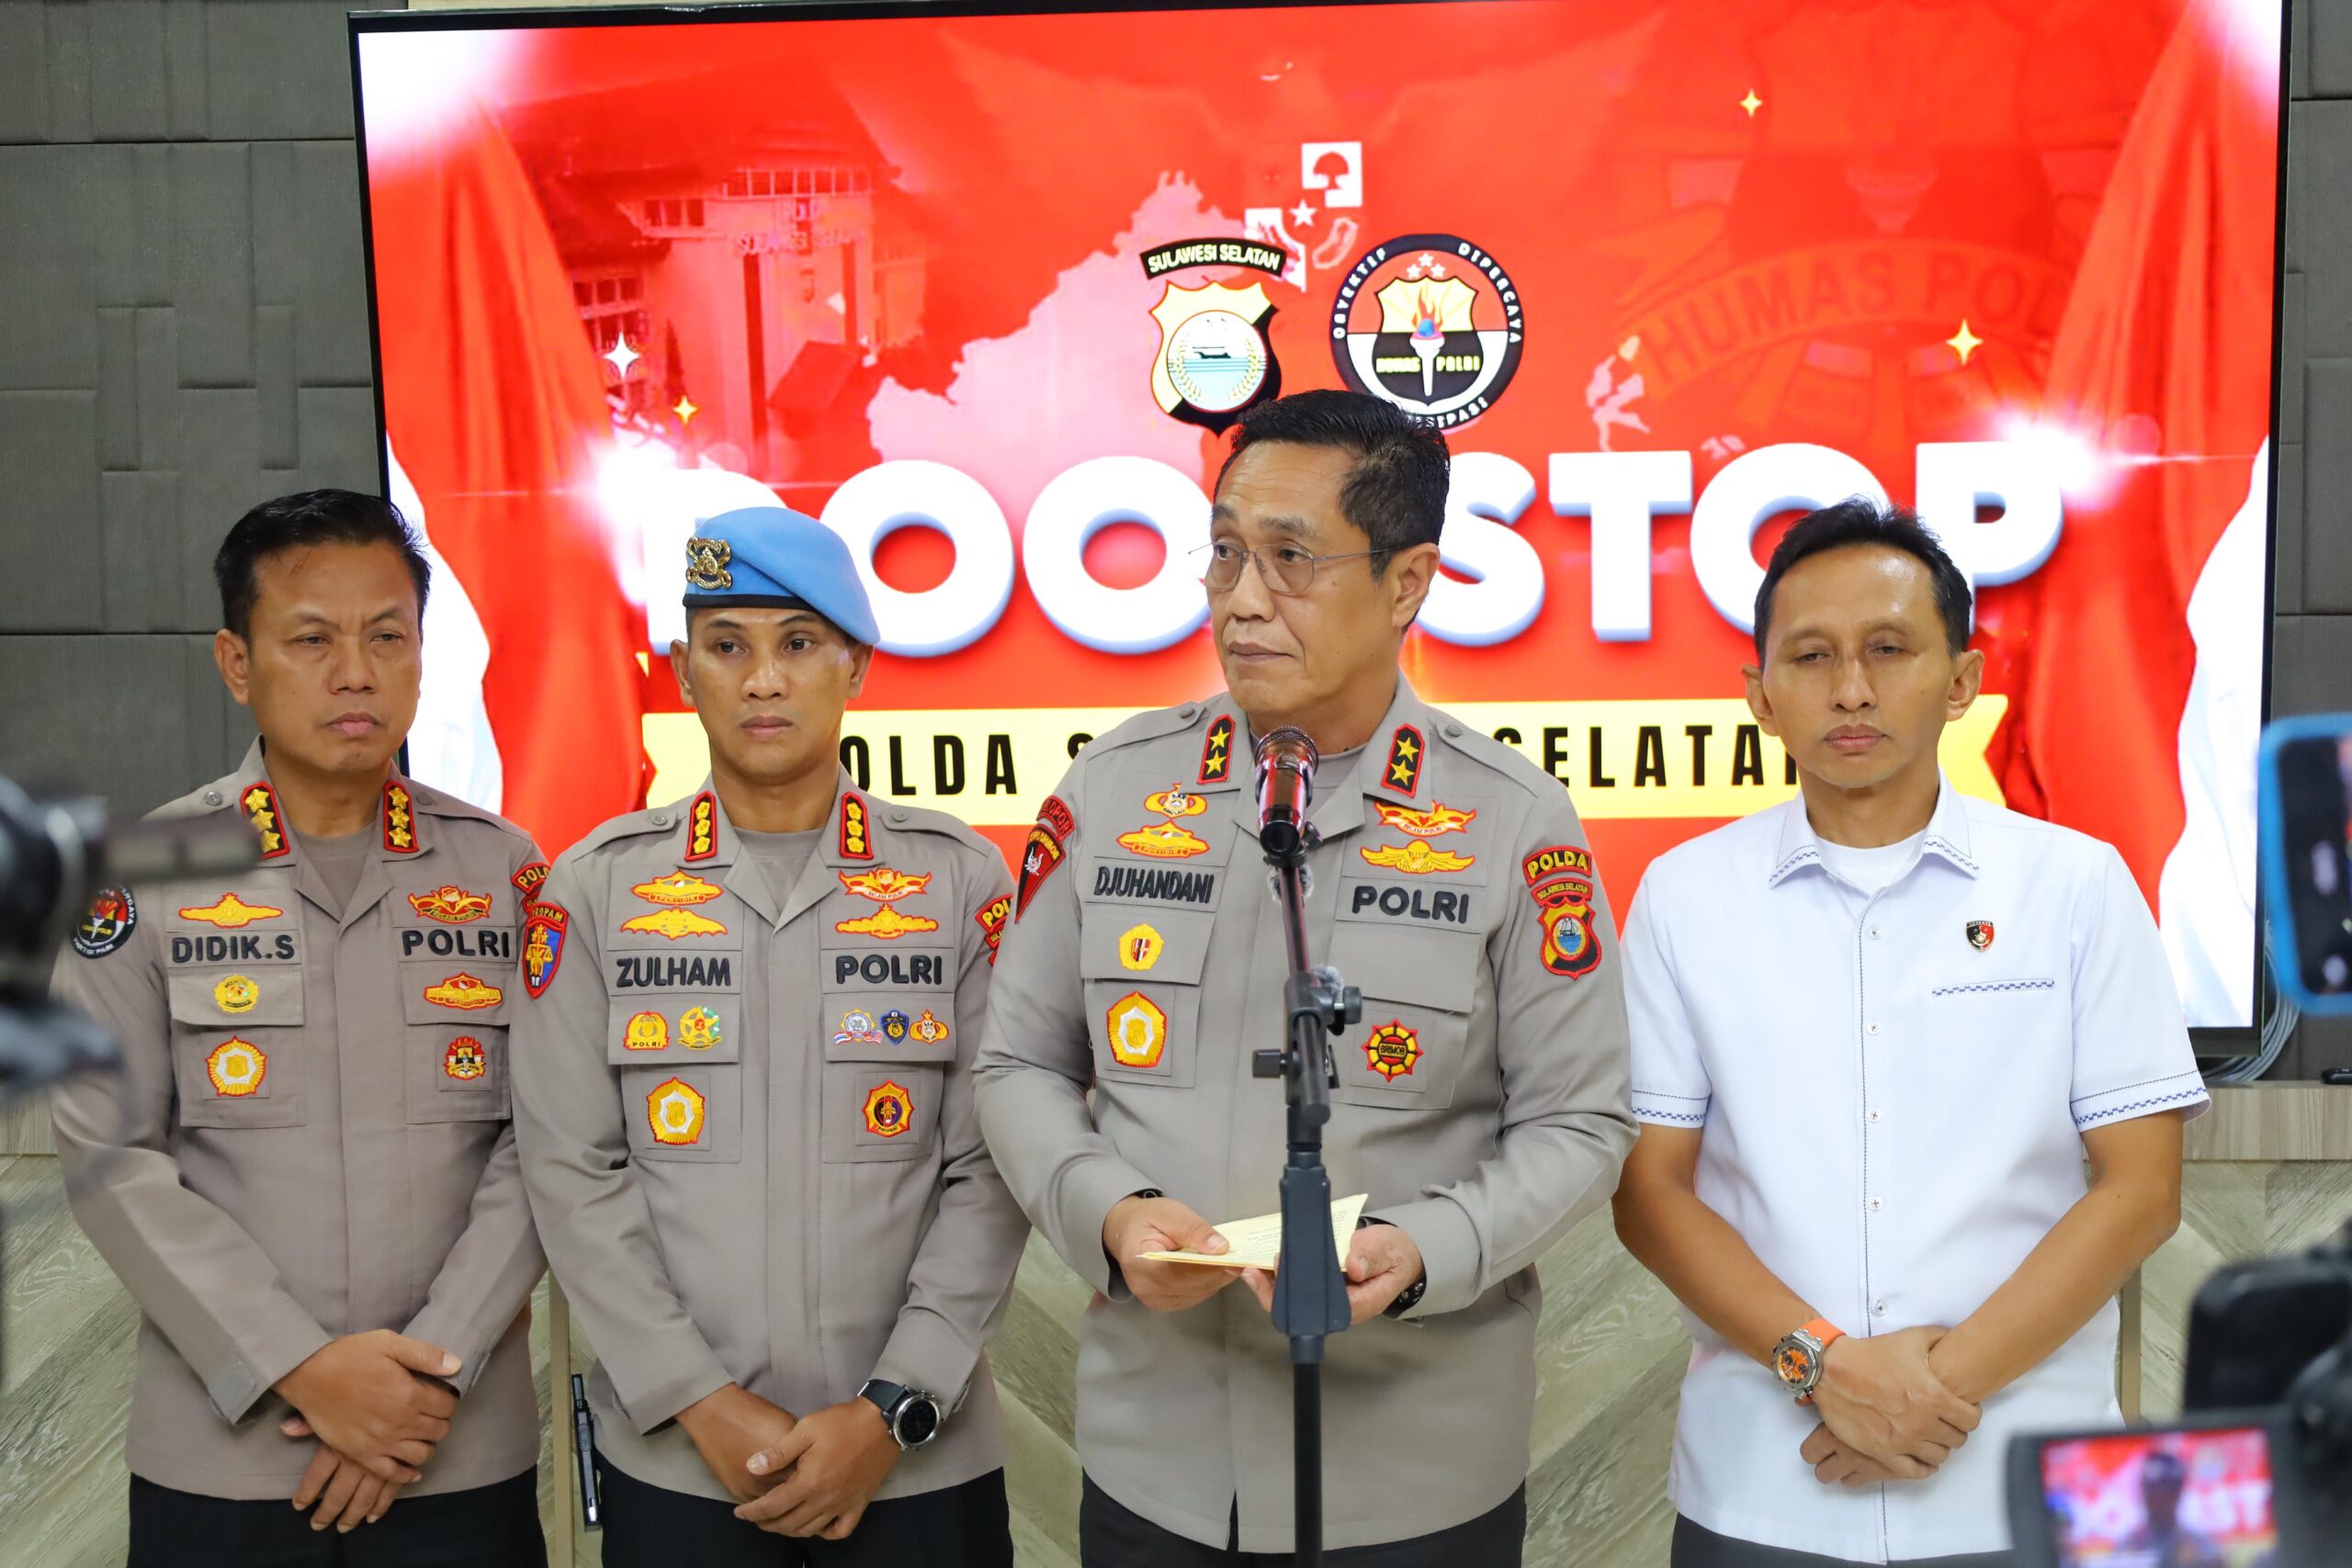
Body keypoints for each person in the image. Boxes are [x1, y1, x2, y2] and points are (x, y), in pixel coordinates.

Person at [973, 389, 1635, 1564]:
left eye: (1290, 559)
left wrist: (1429, 1246)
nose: (1241, 599)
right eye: (1226, 552)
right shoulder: (1115, 790)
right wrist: (1107, 1211)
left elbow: (1580, 1122)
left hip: (1414, 1474)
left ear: (1407, 583)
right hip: (1159, 1463)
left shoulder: (1511, 822)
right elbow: (1017, 1062)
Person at [1611, 498, 2206, 1567]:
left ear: (1963, 680)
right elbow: (1650, 1192)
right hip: (1763, 1486)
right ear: (1758, 695)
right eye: (1811, 656)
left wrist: (1929, 1392)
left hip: (2028, 1480)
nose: (1850, 689)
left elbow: (2140, 1190)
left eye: (1888, 649)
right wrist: (1822, 1368)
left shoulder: (2074, 885)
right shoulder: (1682, 897)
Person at [510, 505, 1026, 1566]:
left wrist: (892, 1407)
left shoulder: (955, 881)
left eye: (797, 644)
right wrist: (697, 1399)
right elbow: (572, 1169)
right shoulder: (598, 888)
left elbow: (990, 1169)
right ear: (682, 672)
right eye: (727, 646)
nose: (761, 681)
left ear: (856, 666)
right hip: (682, 1462)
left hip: (917, 1458)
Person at [51, 490, 549, 1565]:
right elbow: (110, 1155)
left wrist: (429, 1375)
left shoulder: (505, 873)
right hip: (225, 1455)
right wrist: (299, 1366)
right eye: (312, 640)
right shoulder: (144, 874)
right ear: (237, 664)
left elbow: (548, 1140)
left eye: (386, 637)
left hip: (453, 1445)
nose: (355, 673)